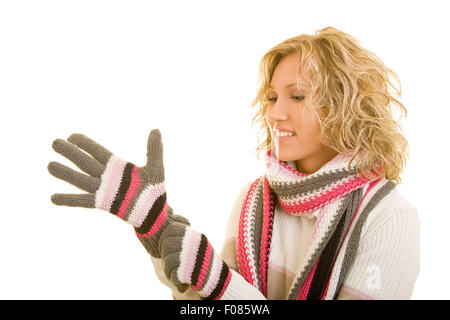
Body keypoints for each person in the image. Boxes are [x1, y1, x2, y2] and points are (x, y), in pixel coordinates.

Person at [47, 26, 420, 300]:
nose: (275, 113)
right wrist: (158, 230)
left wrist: (217, 280)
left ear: (345, 107)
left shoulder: (389, 217)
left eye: (298, 96)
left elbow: (227, 291)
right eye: (272, 97)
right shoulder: (255, 199)